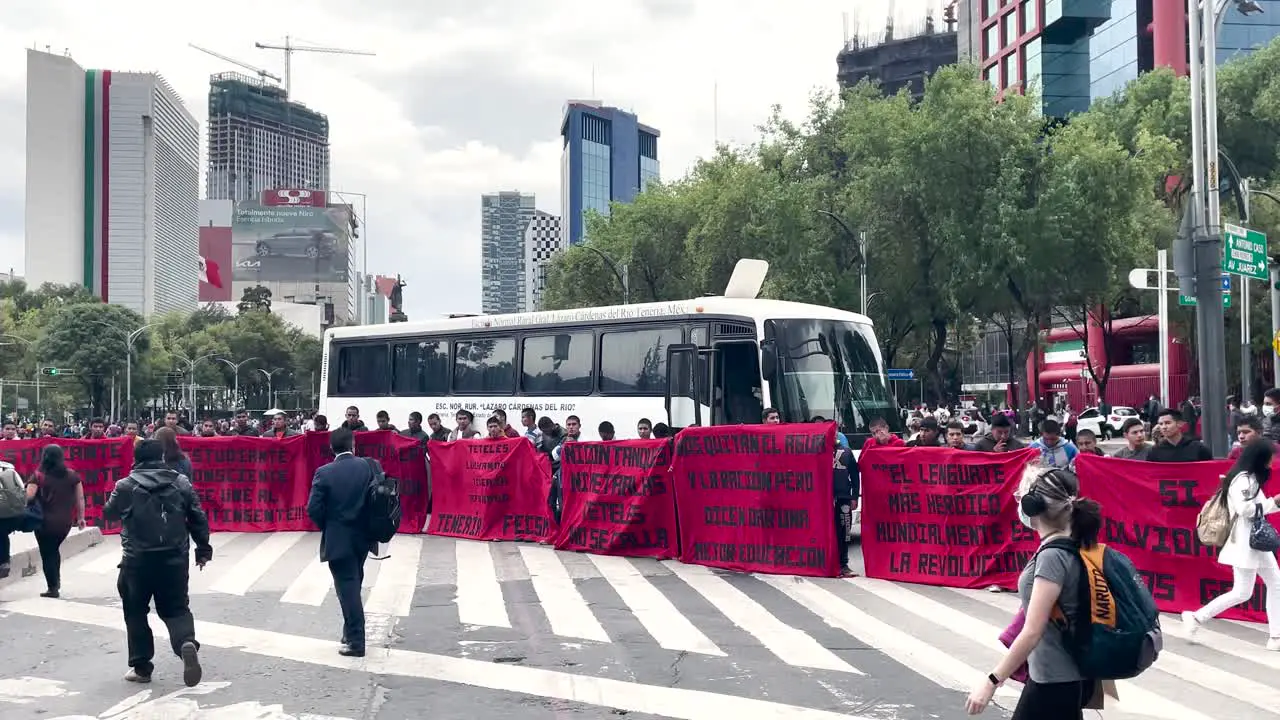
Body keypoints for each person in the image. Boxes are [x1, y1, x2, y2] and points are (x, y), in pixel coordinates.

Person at [965, 466, 1104, 718]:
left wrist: (992, 680)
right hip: (1062, 677)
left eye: (1021, 496)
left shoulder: (1053, 556)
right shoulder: (1071, 545)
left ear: (1032, 506)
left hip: (1053, 681)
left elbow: (1032, 632)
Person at [102, 439, 211, 686]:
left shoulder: (125, 485)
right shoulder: (180, 482)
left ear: (136, 458)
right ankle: (185, 642)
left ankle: (142, 667)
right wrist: (203, 549)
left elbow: (108, 512)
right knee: (176, 608)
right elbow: (197, 516)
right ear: (161, 456)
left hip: (136, 560)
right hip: (174, 558)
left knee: (135, 611)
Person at [1183, 438, 1280, 650]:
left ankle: (1275, 636)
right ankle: (1197, 617)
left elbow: (1258, 508)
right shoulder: (1242, 480)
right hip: (1246, 542)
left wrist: (1272, 504)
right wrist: (1274, 502)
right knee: (1243, 591)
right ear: (1260, 457)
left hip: (1255, 541)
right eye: (1271, 455)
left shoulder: (1250, 478)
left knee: (1274, 583)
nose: (1274, 459)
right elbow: (1245, 510)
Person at [306, 427, 377, 658]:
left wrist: (328, 524)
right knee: (353, 584)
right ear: (353, 445)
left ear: (331, 447)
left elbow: (313, 508)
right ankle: (349, 633)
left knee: (347, 589)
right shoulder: (367, 466)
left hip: (339, 538)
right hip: (364, 536)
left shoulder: (324, 472)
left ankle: (356, 642)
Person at [24, 445, 86, 598]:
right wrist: (81, 517)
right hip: (64, 522)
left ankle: (52, 587)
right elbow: (80, 498)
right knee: (54, 550)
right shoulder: (72, 475)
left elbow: (29, 497)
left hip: (43, 521)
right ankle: (55, 582)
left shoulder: (38, 476)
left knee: (47, 553)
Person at [1147, 408, 1213, 462]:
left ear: (1180, 424)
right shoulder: (1155, 451)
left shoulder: (1198, 448)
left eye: (1167, 423)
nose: (1164, 427)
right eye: (1161, 424)